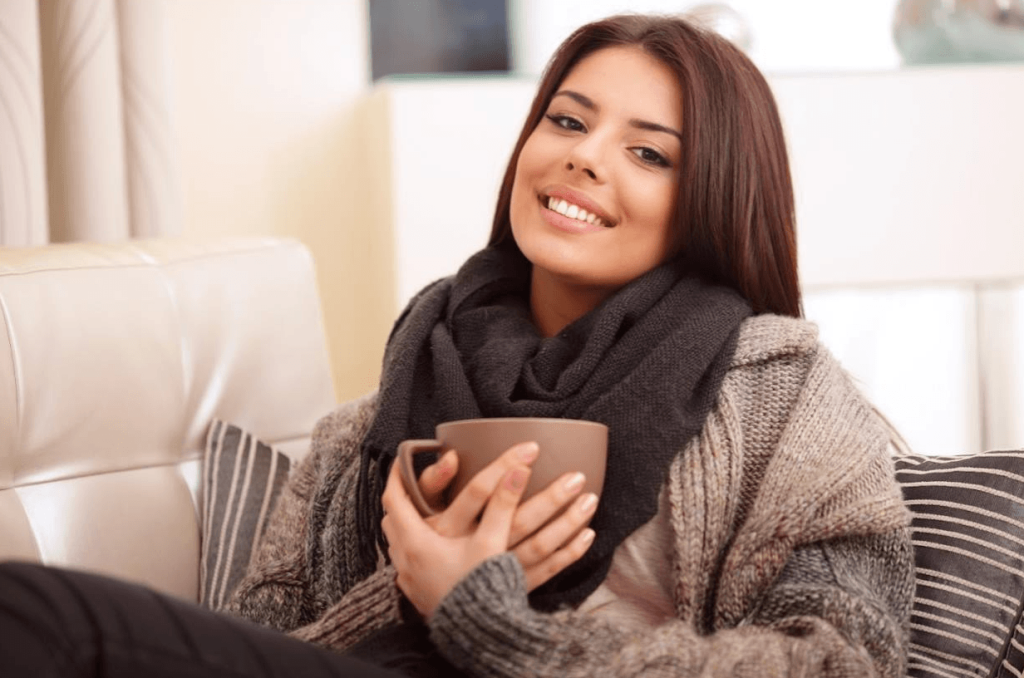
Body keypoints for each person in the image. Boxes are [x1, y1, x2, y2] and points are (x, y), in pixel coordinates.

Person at [0, 13, 914, 678]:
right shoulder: (382, 408)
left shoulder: (786, 399)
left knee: (34, 610)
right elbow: (258, 640)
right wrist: (411, 585)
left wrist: (481, 614)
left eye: (650, 153)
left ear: (712, 196)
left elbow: (840, 663)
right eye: (566, 119)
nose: (584, 156)